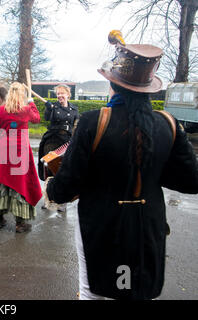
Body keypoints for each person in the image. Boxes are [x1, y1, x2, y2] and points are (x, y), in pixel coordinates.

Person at [46, 32, 198, 300]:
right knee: (136, 292)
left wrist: (52, 184)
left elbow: (64, 188)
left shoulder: (93, 122)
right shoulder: (168, 123)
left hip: (100, 221)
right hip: (147, 223)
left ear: (113, 84)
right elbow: (191, 181)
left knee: (94, 293)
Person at [0, 82, 42, 232]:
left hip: (3, 148)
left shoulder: (1, 110)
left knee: (2, 183)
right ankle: (20, 223)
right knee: (20, 184)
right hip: (19, 149)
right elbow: (37, 118)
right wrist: (31, 102)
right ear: (22, 95)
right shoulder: (25, 109)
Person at [38, 84, 79, 213]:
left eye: (62, 93)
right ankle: (48, 199)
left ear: (68, 94)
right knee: (49, 171)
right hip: (52, 140)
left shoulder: (74, 109)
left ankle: (63, 201)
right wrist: (48, 109)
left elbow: (76, 126)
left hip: (66, 142)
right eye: (58, 94)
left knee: (64, 171)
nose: (60, 96)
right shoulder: (53, 106)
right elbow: (46, 118)